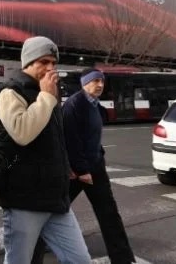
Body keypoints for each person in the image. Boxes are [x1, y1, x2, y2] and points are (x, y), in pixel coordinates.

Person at [0, 36, 90, 264]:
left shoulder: (48, 92)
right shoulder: (10, 92)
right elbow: (22, 132)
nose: (50, 68)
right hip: (24, 200)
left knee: (80, 259)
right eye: (44, 62)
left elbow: (54, 137)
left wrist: (65, 166)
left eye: (53, 63)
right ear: (28, 62)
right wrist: (45, 97)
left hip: (55, 198)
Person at [64, 68, 136, 264]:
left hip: (95, 167)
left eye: (102, 81)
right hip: (78, 172)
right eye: (95, 81)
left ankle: (123, 258)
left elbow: (92, 137)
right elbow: (71, 140)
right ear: (84, 83)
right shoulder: (74, 105)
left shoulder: (95, 105)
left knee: (109, 213)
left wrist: (99, 154)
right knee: (56, 209)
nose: (100, 85)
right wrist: (82, 170)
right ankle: (37, 242)